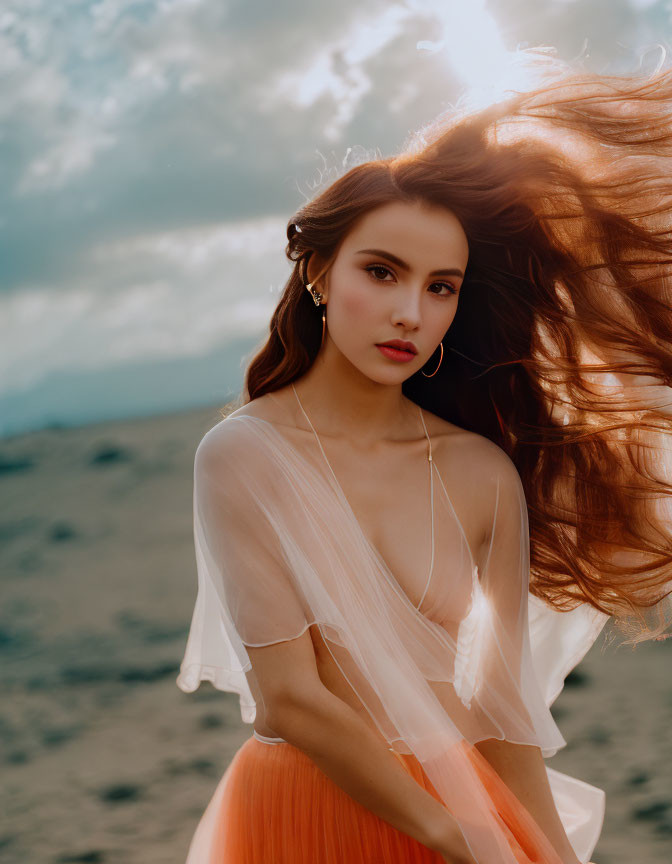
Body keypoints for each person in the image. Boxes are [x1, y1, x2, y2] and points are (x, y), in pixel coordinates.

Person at [176, 63, 672, 864]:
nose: (412, 311)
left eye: (441, 287)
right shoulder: (243, 454)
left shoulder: (482, 474)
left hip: (470, 805)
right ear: (317, 274)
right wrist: (452, 832)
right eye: (382, 272)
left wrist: (538, 849)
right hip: (308, 813)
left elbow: (501, 713)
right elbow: (291, 698)